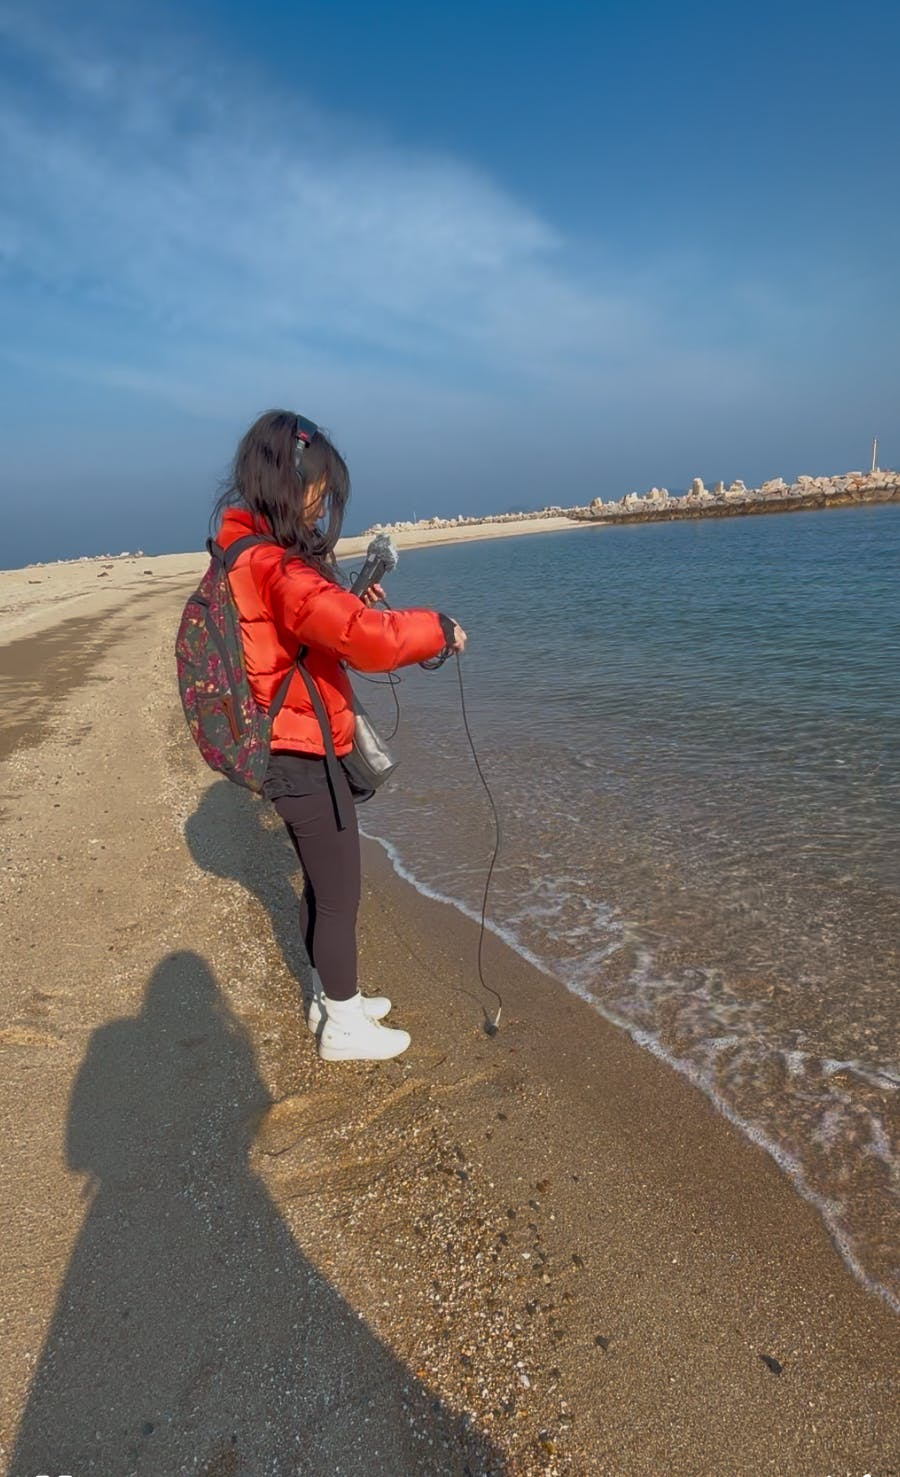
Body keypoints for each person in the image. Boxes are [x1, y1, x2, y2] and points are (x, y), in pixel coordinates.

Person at [212, 409, 466, 1063]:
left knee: (323, 886)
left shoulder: (248, 553)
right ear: (287, 482)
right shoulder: (276, 566)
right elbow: (361, 638)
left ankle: (330, 998)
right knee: (339, 893)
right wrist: (437, 628)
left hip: (288, 744)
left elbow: (315, 631)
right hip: (300, 751)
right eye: (317, 491)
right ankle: (344, 1024)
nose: (321, 506)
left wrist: (346, 598)